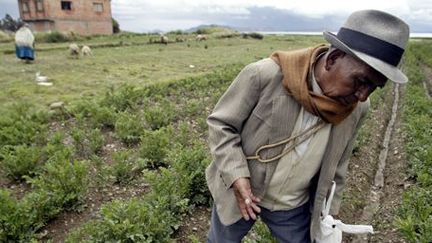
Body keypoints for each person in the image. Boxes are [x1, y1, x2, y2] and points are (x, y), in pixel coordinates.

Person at [205, 9, 409, 243]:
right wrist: (236, 176)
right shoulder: (265, 75)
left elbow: (339, 165)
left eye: (373, 87)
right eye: (361, 81)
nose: (363, 96)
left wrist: (329, 212)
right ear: (333, 59)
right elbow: (221, 124)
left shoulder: (358, 109)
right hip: (242, 193)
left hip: (293, 205)